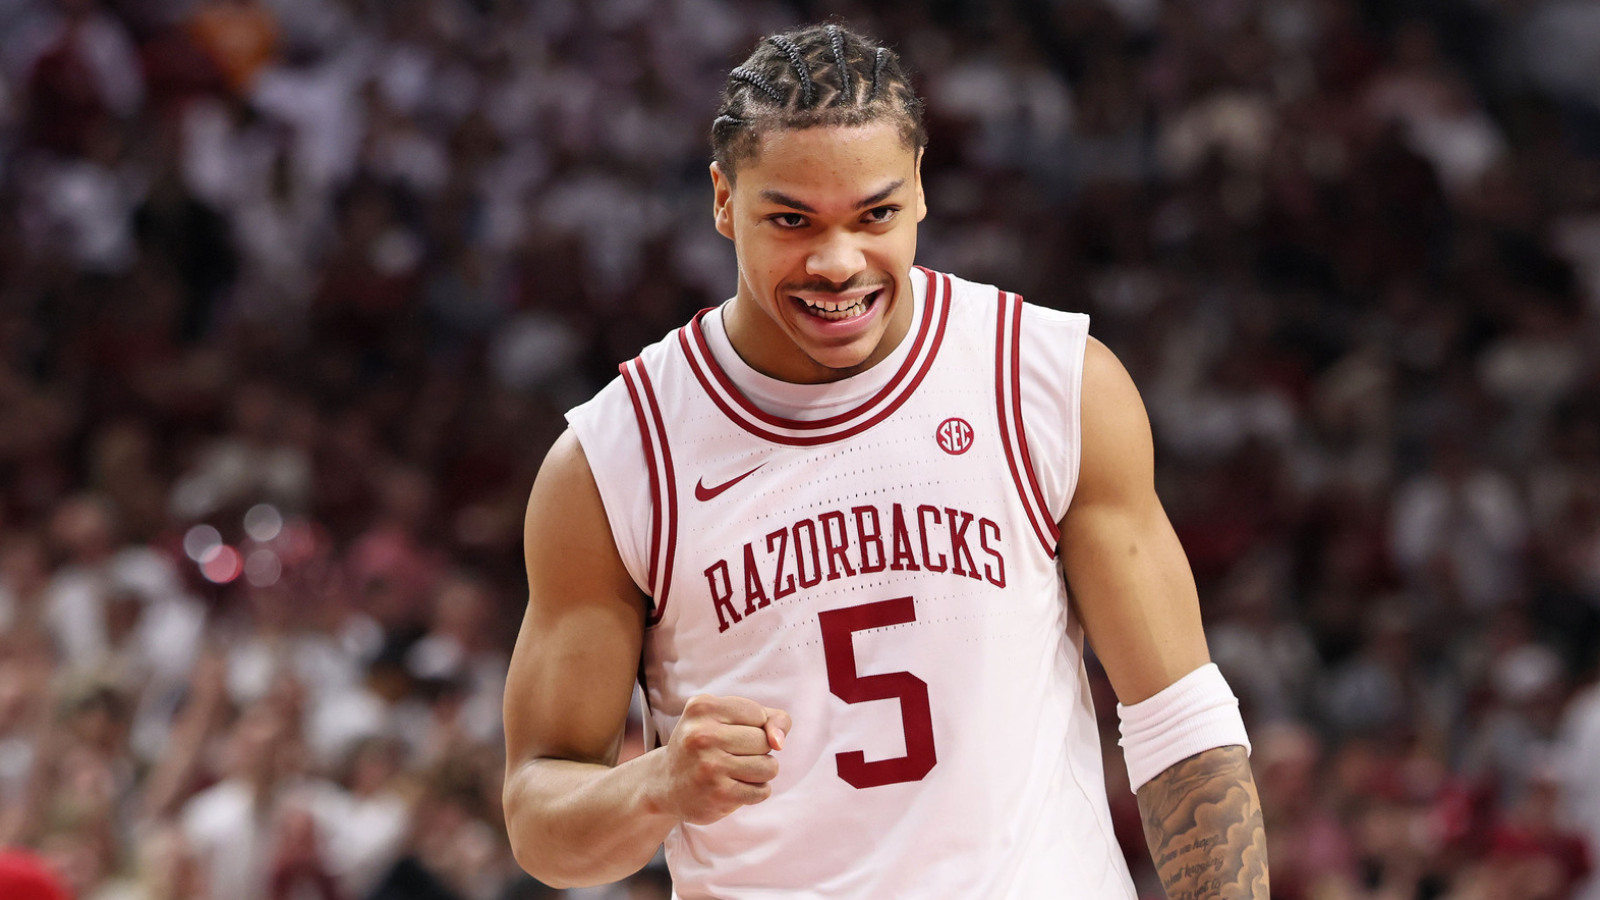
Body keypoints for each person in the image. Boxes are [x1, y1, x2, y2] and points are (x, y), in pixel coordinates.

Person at [503, 22, 1268, 899]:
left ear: (919, 192)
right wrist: (657, 786)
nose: (838, 263)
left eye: (875, 215)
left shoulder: (1045, 381)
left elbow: (1180, 724)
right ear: (722, 200)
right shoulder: (615, 458)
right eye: (791, 220)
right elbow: (539, 819)